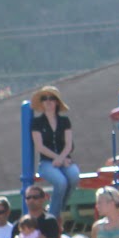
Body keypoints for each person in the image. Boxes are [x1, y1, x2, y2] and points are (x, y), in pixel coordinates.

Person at [29, 86, 81, 218]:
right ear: (41, 103)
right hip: (46, 162)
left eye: (51, 98)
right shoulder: (37, 122)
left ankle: (57, 208)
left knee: (74, 176)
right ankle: (53, 215)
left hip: (65, 159)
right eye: (44, 98)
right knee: (61, 182)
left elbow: (69, 144)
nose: (48, 101)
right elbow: (39, 146)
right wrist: (58, 158)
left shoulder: (64, 121)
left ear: (57, 102)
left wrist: (62, 158)